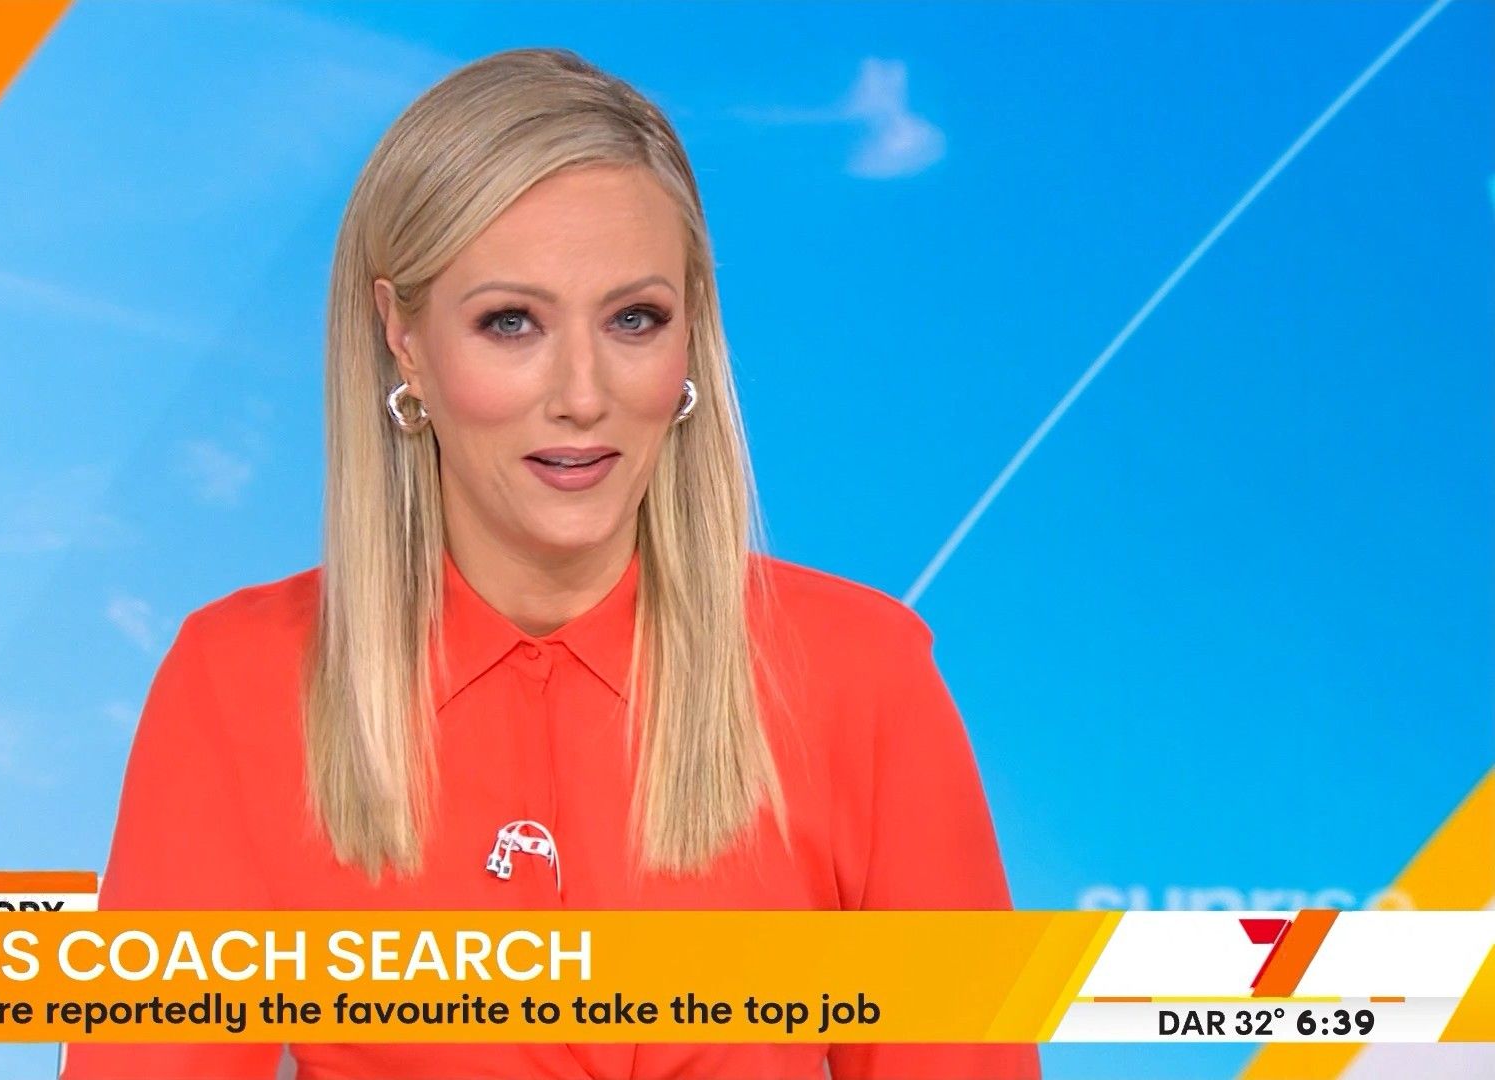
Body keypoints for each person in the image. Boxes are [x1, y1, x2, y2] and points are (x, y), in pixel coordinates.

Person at [60, 46, 1037, 1080]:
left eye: (634, 319)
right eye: (511, 323)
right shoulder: (240, 681)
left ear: (691, 337)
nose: (581, 394)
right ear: (403, 337)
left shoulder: (862, 674)